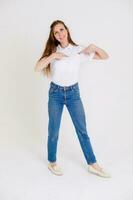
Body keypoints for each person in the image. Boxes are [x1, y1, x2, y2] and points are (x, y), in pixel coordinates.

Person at [35, 20, 111, 178]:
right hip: (55, 94)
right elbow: (38, 67)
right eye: (56, 32)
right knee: (53, 130)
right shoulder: (53, 51)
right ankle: (52, 161)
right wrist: (54, 56)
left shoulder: (79, 50)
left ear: (67, 30)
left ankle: (93, 164)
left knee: (82, 130)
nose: (60, 34)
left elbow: (105, 56)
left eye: (61, 30)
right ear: (54, 36)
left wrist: (93, 47)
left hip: (73, 95)